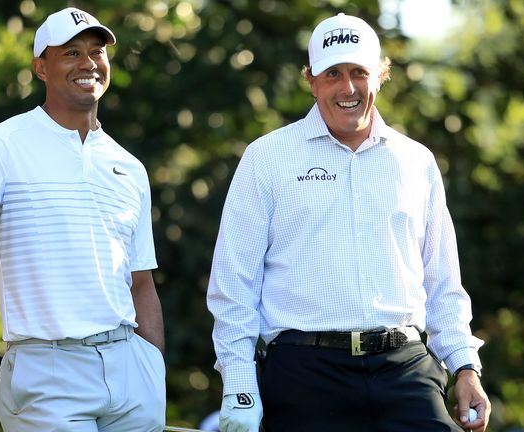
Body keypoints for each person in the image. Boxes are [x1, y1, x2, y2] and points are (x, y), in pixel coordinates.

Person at [207, 13, 491, 432]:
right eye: (332, 74)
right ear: (311, 80)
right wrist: (239, 385)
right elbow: (233, 285)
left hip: (405, 368)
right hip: (304, 373)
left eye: (359, 72)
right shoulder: (266, 158)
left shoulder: (416, 161)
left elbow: (442, 283)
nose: (348, 88)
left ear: (380, 75)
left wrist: (465, 366)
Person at [0, 7, 165, 431]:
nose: (88, 63)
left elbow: (140, 282)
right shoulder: (1, 145)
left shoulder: (128, 166)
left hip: (132, 372)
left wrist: (153, 368)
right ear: (40, 67)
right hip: (47, 371)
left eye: (97, 52)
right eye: (71, 53)